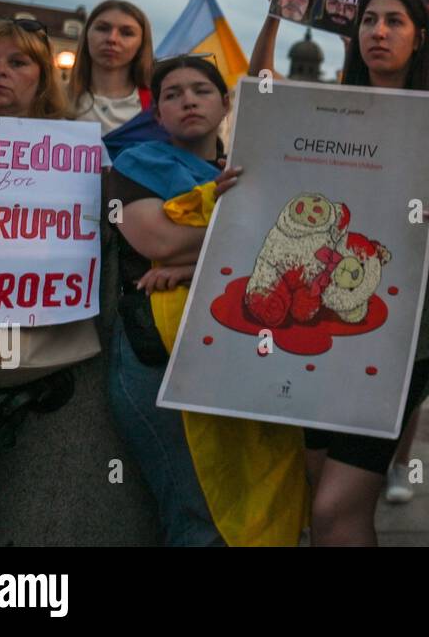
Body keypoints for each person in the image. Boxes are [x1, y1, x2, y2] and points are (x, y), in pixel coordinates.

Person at [0, 17, 160, 546]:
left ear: (41, 75)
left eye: (17, 61)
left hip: (19, 336)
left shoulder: (80, 149)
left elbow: (108, 227)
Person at [295, 0, 429, 546]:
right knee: (318, 496)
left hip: (397, 334)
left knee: (334, 509)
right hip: (316, 328)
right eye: (368, 20)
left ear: (418, 37)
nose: (378, 31)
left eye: (394, 21)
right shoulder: (324, 111)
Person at [105, 56, 294, 546]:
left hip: (244, 353)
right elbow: (159, 242)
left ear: (226, 103)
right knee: (199, 514)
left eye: (201, 90)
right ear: (157, 113)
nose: (187, 100)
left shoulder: (253, 169)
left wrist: (192, 264)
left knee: (257, 497)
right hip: (159, 357)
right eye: (171, 94)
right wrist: (236, 223)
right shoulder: (134, 164)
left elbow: (285, 254)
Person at [69, 0, 155, 135]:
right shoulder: (55, 100)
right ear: (86, 35)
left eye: (127, 33)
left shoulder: (157, 107)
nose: (112, 39)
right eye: (102, 28)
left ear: (142, 44)